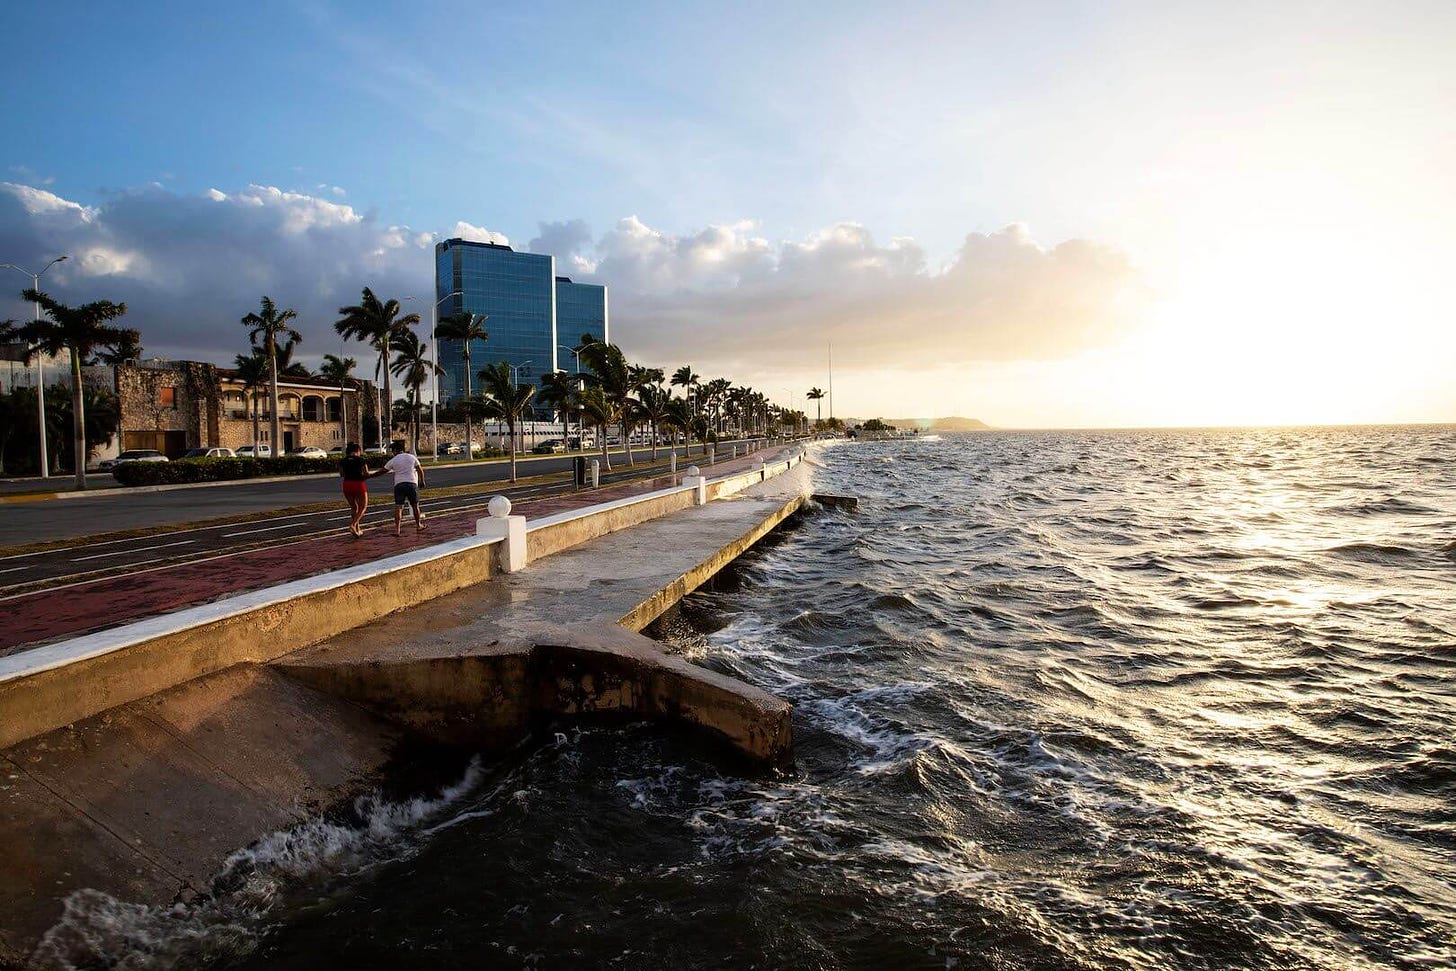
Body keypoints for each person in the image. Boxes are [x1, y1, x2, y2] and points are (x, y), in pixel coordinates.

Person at [376, 440, 426, 536]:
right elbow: (420, 470)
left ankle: (397, 530)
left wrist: (371, 475)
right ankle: (418, 525)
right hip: (412, 483)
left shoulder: (394, 460)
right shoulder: (412, 457)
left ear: (395, 450)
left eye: (392, 451)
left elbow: (383, 471)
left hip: (399, 485)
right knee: (415, 506)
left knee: (399, 507)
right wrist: (422, 481)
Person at [339, 442, 372, 536]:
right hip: (358, 484)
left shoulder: (343, 461)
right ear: (357, 450)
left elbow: (341, 474)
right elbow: (366, 473)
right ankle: (353, 525)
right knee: (363, 507)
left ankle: (357, 529)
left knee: (354, 507)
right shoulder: (361, 460)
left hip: (347, 484)